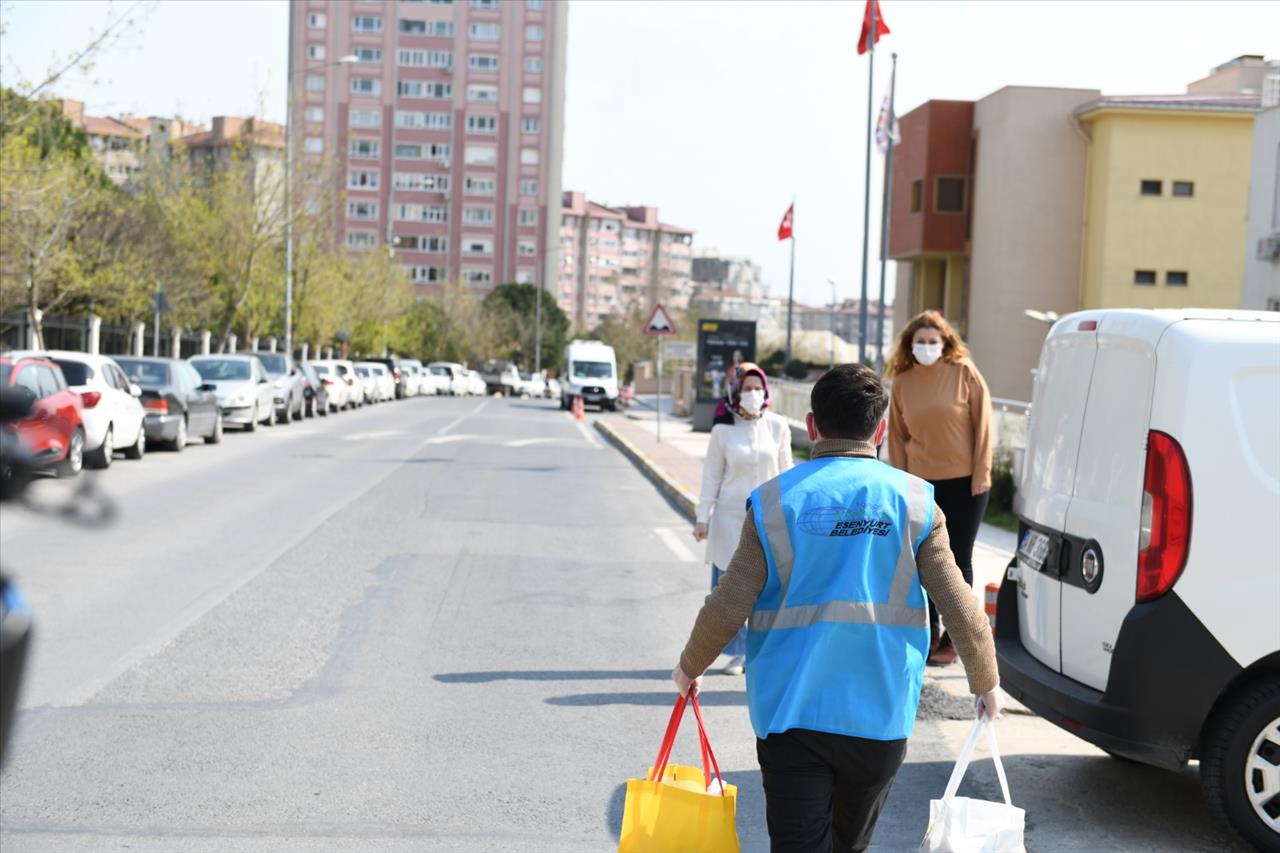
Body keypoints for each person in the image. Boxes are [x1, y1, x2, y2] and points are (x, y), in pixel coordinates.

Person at [672, 364, 1000, 853]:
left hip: (791, 716)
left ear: (811, 425)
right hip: (879, 720)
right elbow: (960, 607)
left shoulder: (774, 502)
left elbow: (728, 604)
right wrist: (985, 682)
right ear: (881, 429)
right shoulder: (915, 504)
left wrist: (689, 667)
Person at [885, 310, 993, 666]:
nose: (927, 347)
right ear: (909, 344)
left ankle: (956, 637)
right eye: (921, 342)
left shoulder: (964, 373)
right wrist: (899, 480)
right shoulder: (902, 381)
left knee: (959, 559)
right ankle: (928, 633)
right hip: (919, 483)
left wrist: (982, 472)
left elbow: (984, 426)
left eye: (933, 342)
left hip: (966, 483)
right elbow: (898, 437)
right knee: (920, 559)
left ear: (945, 343)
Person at [694, 362, 793, 677]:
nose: (753, 394)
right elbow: (711, 477)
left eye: (757, 388)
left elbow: (788, 472)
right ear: (735, 393)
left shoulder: (778, 426)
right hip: (729, 518)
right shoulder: (722, 432)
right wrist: (702, 517)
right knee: (730, 587)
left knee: (767, 586)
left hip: (768, 517)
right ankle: (737, 652)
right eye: (747, 388)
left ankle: (760, 650)